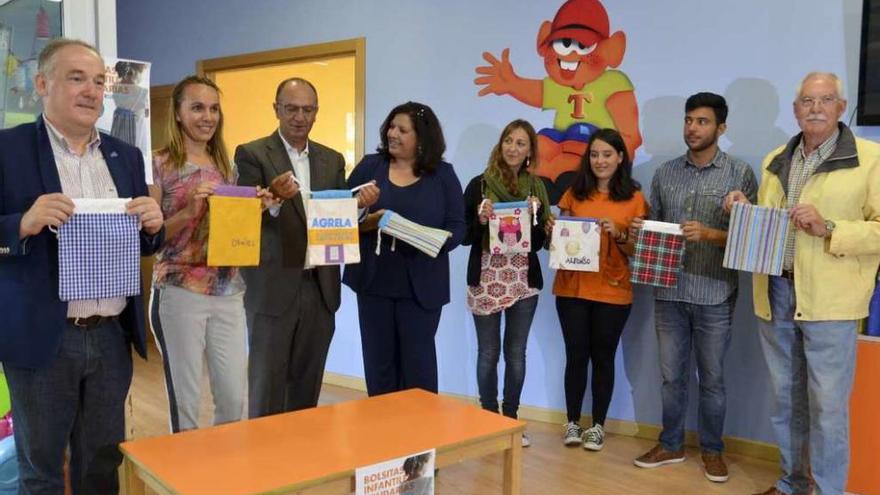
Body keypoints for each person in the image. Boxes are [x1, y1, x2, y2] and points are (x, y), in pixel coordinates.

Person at [0, 39, 164, 494]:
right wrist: (21, 224)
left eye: (99, 81)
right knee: (42, 471)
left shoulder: (125, 156)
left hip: (112, 337)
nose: (92, 91)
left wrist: (153, 225)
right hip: (43, 342)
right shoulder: (7, 150)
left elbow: (145, 241)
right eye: (77, 78)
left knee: (101, 464)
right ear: (41, 84)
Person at [726, 72, 880, 495]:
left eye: (825, 99)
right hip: (776, 292)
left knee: (828, 409)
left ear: (841, 107)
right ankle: (792, 482)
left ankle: (828, 490)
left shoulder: (871, 158)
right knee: (786, 401)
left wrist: (829, 226)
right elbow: (773, 224)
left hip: (832, 301)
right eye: (807, 101)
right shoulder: (776, 158)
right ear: (795, 110)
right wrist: (746, 210)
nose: (815, 108)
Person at [632, 92, 757, 483]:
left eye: (702, 122)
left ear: (721, 128)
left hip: (715, 293)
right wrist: (642, 230)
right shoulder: (665, 173)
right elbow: (658, 226)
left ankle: (712, 451)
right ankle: (670, 444)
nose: (692, 128)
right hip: (669, 290)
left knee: (713, 378)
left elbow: (750, 239)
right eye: (688, 120)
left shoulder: (739, 174)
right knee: (671, 377)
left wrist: (710, 234)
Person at [235, 77, 379, 417]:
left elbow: (337, 214)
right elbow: (241, 218)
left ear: (316, 113)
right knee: (267, 386)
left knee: (306, 385)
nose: (300, 117)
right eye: (292, 109)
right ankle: (265, 464)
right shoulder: (252, 154)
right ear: (277, 110)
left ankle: (300, 461)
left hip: (320, 287)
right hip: (272, 287)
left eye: (307, 110)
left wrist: (359, 205)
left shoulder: (332, 159)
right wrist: (273, 200)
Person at [149, 76, 276, 432]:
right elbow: (150, 239)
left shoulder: (227, 166)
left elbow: (230, 227)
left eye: (214, 108)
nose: (207, 117)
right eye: (197, 108)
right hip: (179, 290)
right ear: (177, 113)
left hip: (228, 291)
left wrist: (257, 208)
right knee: (186, 402)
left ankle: (225, 475)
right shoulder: (158, 164)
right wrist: (188, 211)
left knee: (234, 397)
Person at [344, 101, 466, 396]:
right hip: (374, 284)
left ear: (422, 139)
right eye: (391, 126)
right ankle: (384, 437)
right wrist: (361, 209)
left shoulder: (443, 175)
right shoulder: (370, 167)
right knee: (379, 366)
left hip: (421, 289)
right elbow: (337, 214)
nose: (392, 134)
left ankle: (421, 439)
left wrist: (433, 239)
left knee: (418, 368)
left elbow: (458, 226)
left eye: (402, 129)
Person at [548, 128, 648, 452]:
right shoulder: (573, 193)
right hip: (572, 288)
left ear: (620, 157)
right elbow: (560, 242)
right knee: (575, 357)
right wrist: (554, 230)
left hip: (613, 291)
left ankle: (598, 426)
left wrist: (619, 233)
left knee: (603, 358)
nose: (600, 161)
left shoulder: (634, 198)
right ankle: (573, 422)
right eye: (594, 154)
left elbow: (640, 251)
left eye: (607, 154)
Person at [462, 119, 550, 448]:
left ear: (530, 151)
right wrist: (479, 218)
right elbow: (463, 236)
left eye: (521, 143)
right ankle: (488, 418)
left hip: (523, 280)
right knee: (488, 353)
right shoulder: (479, 185)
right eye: (508, 141)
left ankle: (510, 420)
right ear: (500, 146)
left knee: (516, 354)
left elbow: (540, 242)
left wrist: (536, 218)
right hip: (486, 277)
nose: (513, 148)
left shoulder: (537, 189)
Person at [109, 60, 148, 150]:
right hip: (135, 128)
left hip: (118, 124)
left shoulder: (115, 87)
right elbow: (146, 113)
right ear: (135, 73)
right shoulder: (142, 92)